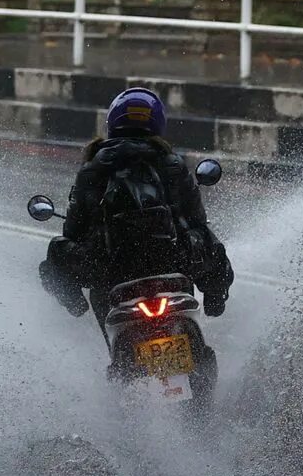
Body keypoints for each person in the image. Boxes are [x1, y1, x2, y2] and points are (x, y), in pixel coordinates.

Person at [38, 87, 234, 321]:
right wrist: (215, 294)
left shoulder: (92, 169)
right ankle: (215, 304)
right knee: (206, 238)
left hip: (109, 269)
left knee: (56, 250)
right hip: (172, 261)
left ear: (113, 122)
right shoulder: (172, 163)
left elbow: (73, 230)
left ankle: (76, 308)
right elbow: (196, 220)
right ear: (158, 124)